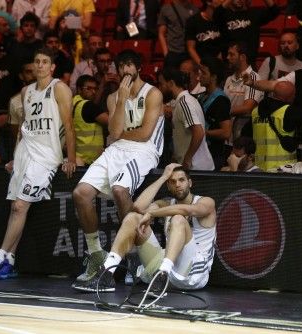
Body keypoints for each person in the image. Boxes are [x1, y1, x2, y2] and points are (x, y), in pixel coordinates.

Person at [0, 47, 76, 279]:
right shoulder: (26, 91)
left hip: (45, 156)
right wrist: (14, 156)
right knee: (16, 207)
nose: (40, 65)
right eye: (37, 61)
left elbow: (69, 126)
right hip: (25, 153)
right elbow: (23, 128)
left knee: (20, 207)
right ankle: (9, 261)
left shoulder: (60, 88)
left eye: (45, 62)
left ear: (52, 67)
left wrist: (70, 157)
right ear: (33, 66)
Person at [72, 49, 164, 285]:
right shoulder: (114, 97)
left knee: (120, 190)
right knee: (80, 194)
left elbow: (145, 134)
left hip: (145, 151)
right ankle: (95, 255)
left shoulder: (152, 93)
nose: (125, 71)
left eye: (129, 66)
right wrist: (122, 100)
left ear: (139, 68)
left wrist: (121, 134)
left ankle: (135, 255)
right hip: (116, 149)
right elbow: (113, 133)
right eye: (121, 66)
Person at [72, 163, 217, 292]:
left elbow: (188, 211)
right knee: (132, 217)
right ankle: (106, 274)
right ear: (168, 185)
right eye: (172, 181)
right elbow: (138, 207)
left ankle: (163, 274)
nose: (178, 184)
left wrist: (152, 213)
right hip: (166, 271)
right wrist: (162, 177)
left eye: (181, 180)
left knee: (178, 218)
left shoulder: (206, 202)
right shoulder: (166, 203)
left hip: (194, 272)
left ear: (190, 183)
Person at [158, 67, 214, 170]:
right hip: (194, 167)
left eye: (162, 84)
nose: (160, 89)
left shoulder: (185, 102)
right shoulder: (185, 101)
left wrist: (187, 159)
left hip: (195, 168)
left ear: (171, 83)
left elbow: (199, 132)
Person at [252, 80, 297, 172]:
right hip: (282, 169)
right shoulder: (288, 111)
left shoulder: (255, 111)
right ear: (289, 97)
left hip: (259, 167)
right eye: (294, 95)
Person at [198, 56, 231, 170]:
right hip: (201, 153)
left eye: (203, 73)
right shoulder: (201, 97)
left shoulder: (221, 100)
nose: (199, 76)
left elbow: (226, 132)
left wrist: (202, 133)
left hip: (213, 156)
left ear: (213, 77)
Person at [73, 75, 108, 166]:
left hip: (77, 157)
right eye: (88, 88)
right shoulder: (88, 106)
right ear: (79, 89)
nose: (93, 91)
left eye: (95, 89)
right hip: (89, 161)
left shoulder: (73, 103)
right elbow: (111, 122)